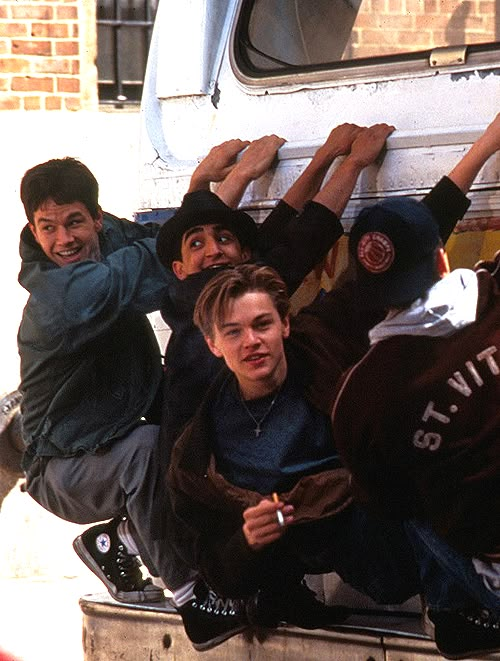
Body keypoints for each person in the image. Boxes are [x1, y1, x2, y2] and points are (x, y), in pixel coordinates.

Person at [15, 149, 274, 650]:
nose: (63, 240)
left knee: (194, 424)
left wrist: (201, 190)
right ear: (32, 228)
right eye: (48, 228)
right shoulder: (61, 296)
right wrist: (227, 182)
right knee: (146, 452)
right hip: (63, 466)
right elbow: (169, 262)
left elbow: (172, 245)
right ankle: (190, 597)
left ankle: (122, 540)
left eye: (74, 222)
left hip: (112, 425)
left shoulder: (108, 237)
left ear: (97, 216)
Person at [168, 263, 422, 630]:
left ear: (284, 325)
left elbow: (376, 269)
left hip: (385, 504)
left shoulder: (316, 345)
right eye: (233, 332)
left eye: (262, 324)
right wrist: (246, 542)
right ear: (213, 345)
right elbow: (216, 569)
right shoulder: (200, 454)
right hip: (327, 543)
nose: (252, 341)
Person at [331, 113, 500, 660]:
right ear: (443, 258)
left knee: (410, 502)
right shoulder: (493, 293)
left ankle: (454, 612)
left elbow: (390, 506)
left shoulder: (360, 399)